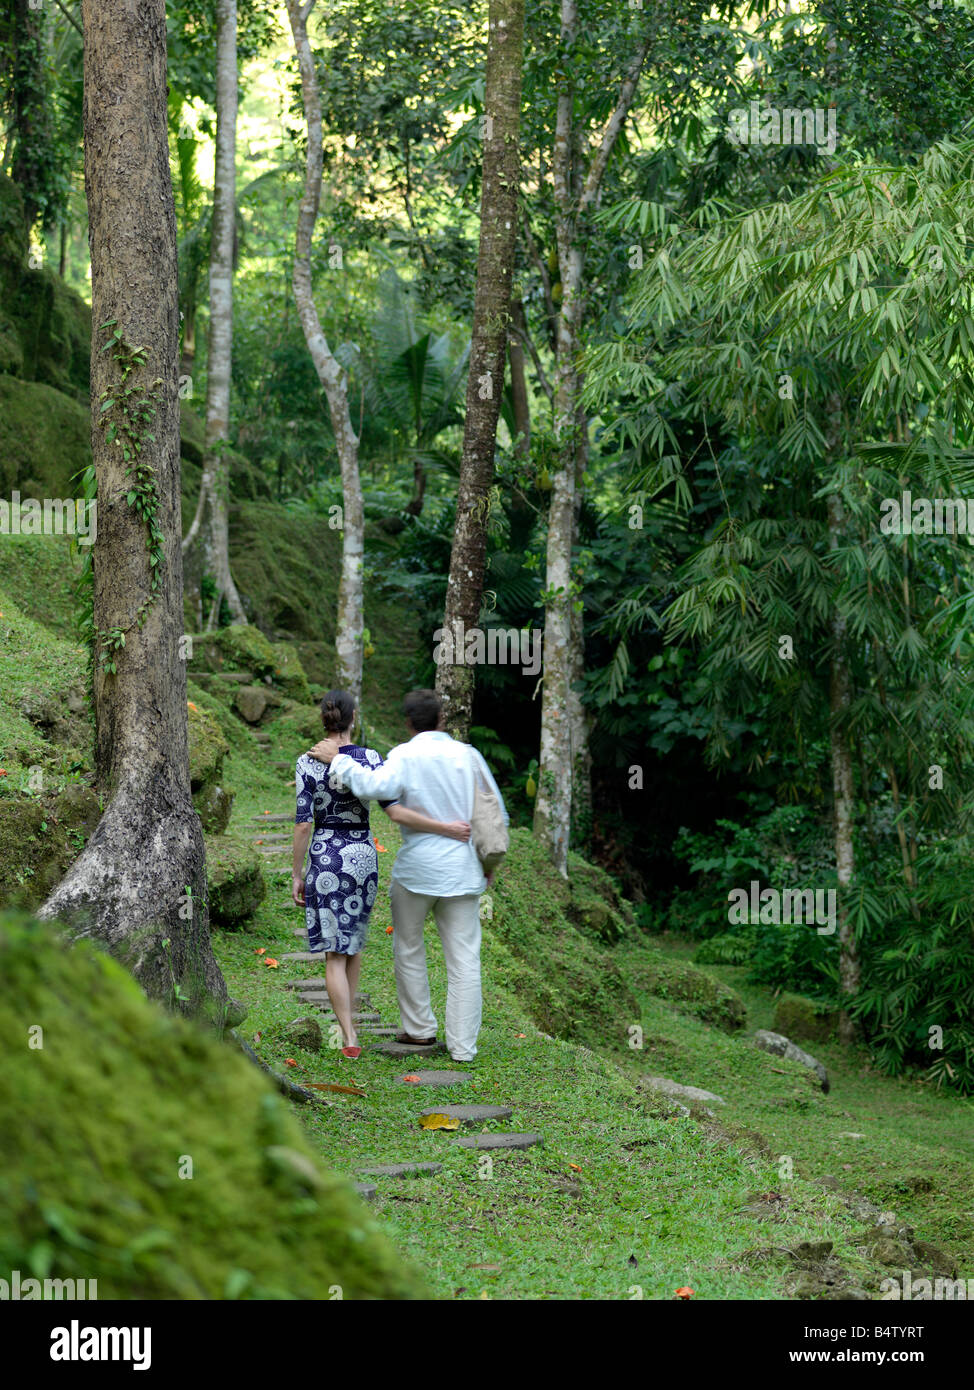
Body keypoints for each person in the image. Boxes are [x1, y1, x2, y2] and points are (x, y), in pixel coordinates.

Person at [309, 688, 509, 1064]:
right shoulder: (468, 756)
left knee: (408, 947)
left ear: (407, 722)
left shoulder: (403, 754)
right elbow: (494, 813)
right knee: (465, 960)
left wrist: (339, 760)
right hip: (462, 870)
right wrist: (488, 866)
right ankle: (463, 1048)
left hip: (416, 869)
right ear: (442, 720)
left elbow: (373, 787)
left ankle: (419, 1030)